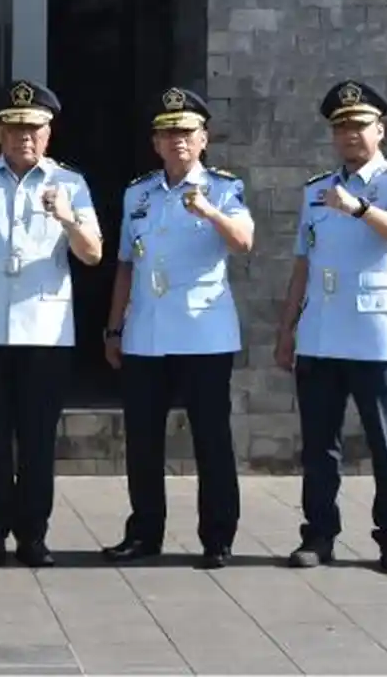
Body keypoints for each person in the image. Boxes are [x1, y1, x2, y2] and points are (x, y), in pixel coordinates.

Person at [0, 79, 103, 568]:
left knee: (36, 439)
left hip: (45, 330)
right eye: (13, 128)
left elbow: (92, 255)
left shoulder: (70, 184)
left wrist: (68, 217)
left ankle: (33, 535)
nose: (22, 137)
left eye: (32, 129)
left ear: (48, 132)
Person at [274, 81, 387, 575]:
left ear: (381, 130)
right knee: (319, 444)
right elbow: (303, 263)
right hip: (320, 329)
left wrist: (359, 208)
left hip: (374, 332)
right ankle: (319, 534)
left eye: (359, 125)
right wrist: (287, 329)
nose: (350, 134)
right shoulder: (316, 189)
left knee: (386, 441)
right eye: (341, 127)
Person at [100, 87, 253, 570]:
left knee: (211, 438)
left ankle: (218, 536)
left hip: (203, 331)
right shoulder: (138, 193)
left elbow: (244, 241)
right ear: (155, 143)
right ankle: (145, 532)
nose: (177, 141)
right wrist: (113, 328)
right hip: (147, 330)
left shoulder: (225, 188)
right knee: (143, 440)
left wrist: (209, 211)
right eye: (168, 133)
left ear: (203, 138)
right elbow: (125, 264)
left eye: (186, 132)